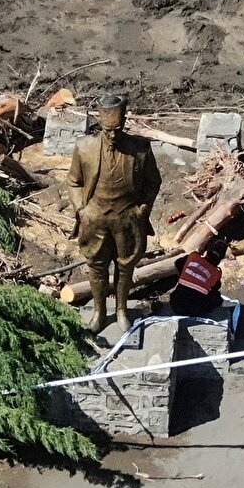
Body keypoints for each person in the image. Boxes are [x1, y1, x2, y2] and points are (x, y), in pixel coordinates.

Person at [67, 94, 162, 332]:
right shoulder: (84, 148)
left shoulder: (140, 149)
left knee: (125, 267)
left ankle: (121, 309)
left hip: (127, 219)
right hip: (95, 219)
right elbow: (73, 182)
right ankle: (99, 312)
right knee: (97, 267)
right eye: (108, 130)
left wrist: (143, 209)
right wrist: (81, 209)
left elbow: (153, 182)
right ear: (100, 125)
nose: (113, 135)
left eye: (118, 129)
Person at [169, 239, 228, 316]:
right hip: (195, 310)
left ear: (207, 251)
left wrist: (185, 275)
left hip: (176, 305)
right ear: (220, 259)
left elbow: (178, 263)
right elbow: (215, 287)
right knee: (216, 298)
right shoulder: (216, 273)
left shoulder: (193, 256)